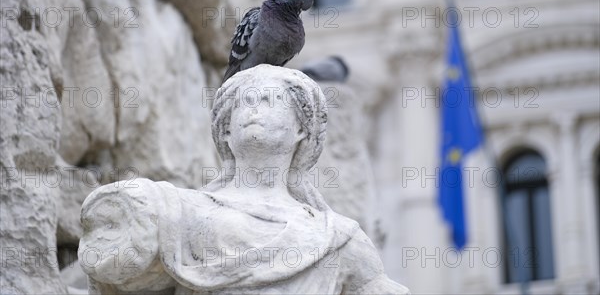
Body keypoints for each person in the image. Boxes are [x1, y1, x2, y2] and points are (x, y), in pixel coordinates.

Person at [79, 65, 409, 294]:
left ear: (301, 129)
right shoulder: (181, 212)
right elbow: (114, 266)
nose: (254, 109)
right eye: (245, 103)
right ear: (225, 129)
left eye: (268, 101)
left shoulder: (338, 237)